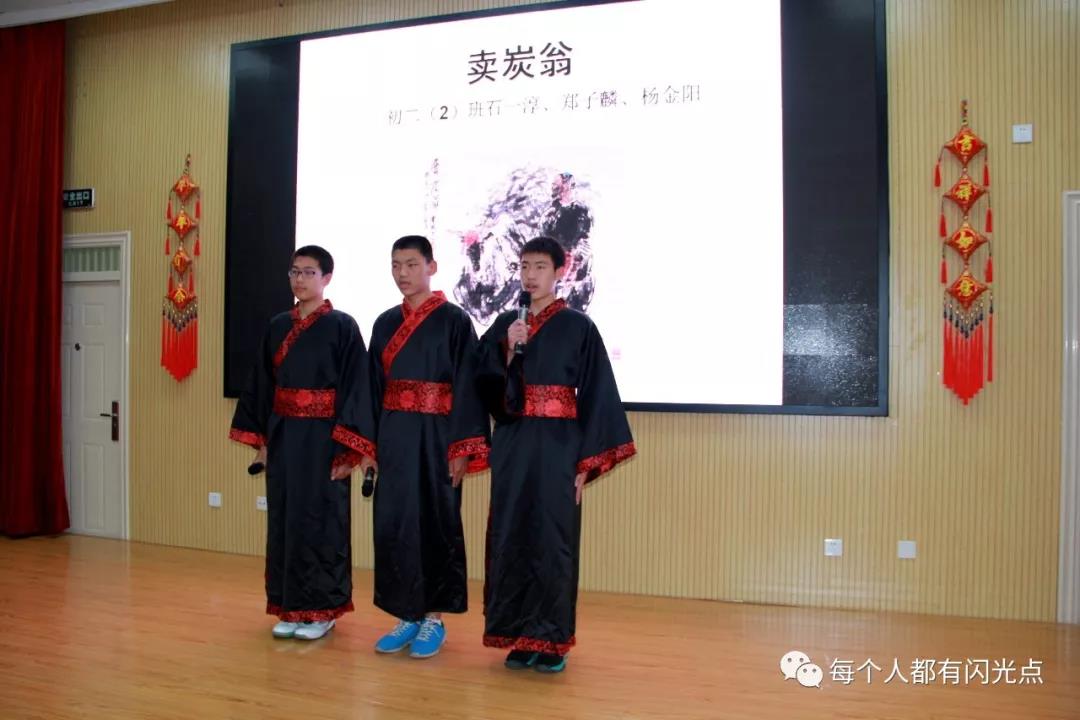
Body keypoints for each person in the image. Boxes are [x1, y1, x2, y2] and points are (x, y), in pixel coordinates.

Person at [476, 236, 636, 673]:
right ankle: (516, 634)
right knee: (510, 534)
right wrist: (505, 349)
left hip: (559, 446)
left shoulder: (579, 327)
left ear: (560, 271)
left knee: (553, 540)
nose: (530, 276)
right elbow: (480, 380)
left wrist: (585, 464)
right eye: (524, 266)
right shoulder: (506, 323)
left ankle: (551, 639)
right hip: (514, 443)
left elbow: (598, 394)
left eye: (540, 267)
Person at [333, 235, 489, 659]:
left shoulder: (455, 321)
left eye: (411, 265)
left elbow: (469, 386)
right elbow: (370, 387)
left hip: (438, 437)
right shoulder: (385, 322)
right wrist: (367, 447)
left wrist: (462, 447)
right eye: (396, 265)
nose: (402, 273)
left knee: (436, 521)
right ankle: (407, 614)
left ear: (431, 267)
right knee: (395, 522)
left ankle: (433, 618)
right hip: (394, 436)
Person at [229, 245, 367, 641]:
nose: (299, 279)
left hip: (325, 439)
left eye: (308, 272)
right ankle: (289, 606)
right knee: (285, 519)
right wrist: (263, 440)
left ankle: (322, 610)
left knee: (322, 520)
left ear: (326, 278)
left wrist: (349, 449)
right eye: (294, 272)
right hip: (285, 436)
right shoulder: (277, 326)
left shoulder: (343, 326)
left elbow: (356, 388)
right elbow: (262, 385)